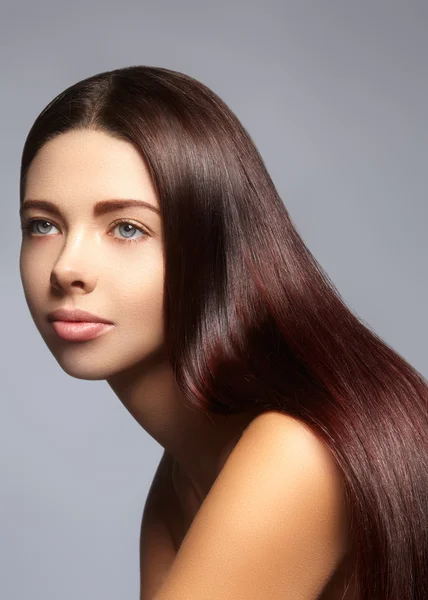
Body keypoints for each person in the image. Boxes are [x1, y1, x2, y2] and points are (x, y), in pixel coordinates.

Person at [18, 65, 427, 600]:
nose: (67, 267)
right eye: (43, 225)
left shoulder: (295, 451)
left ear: (212, 245)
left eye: (126, 228)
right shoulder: (180, 481)